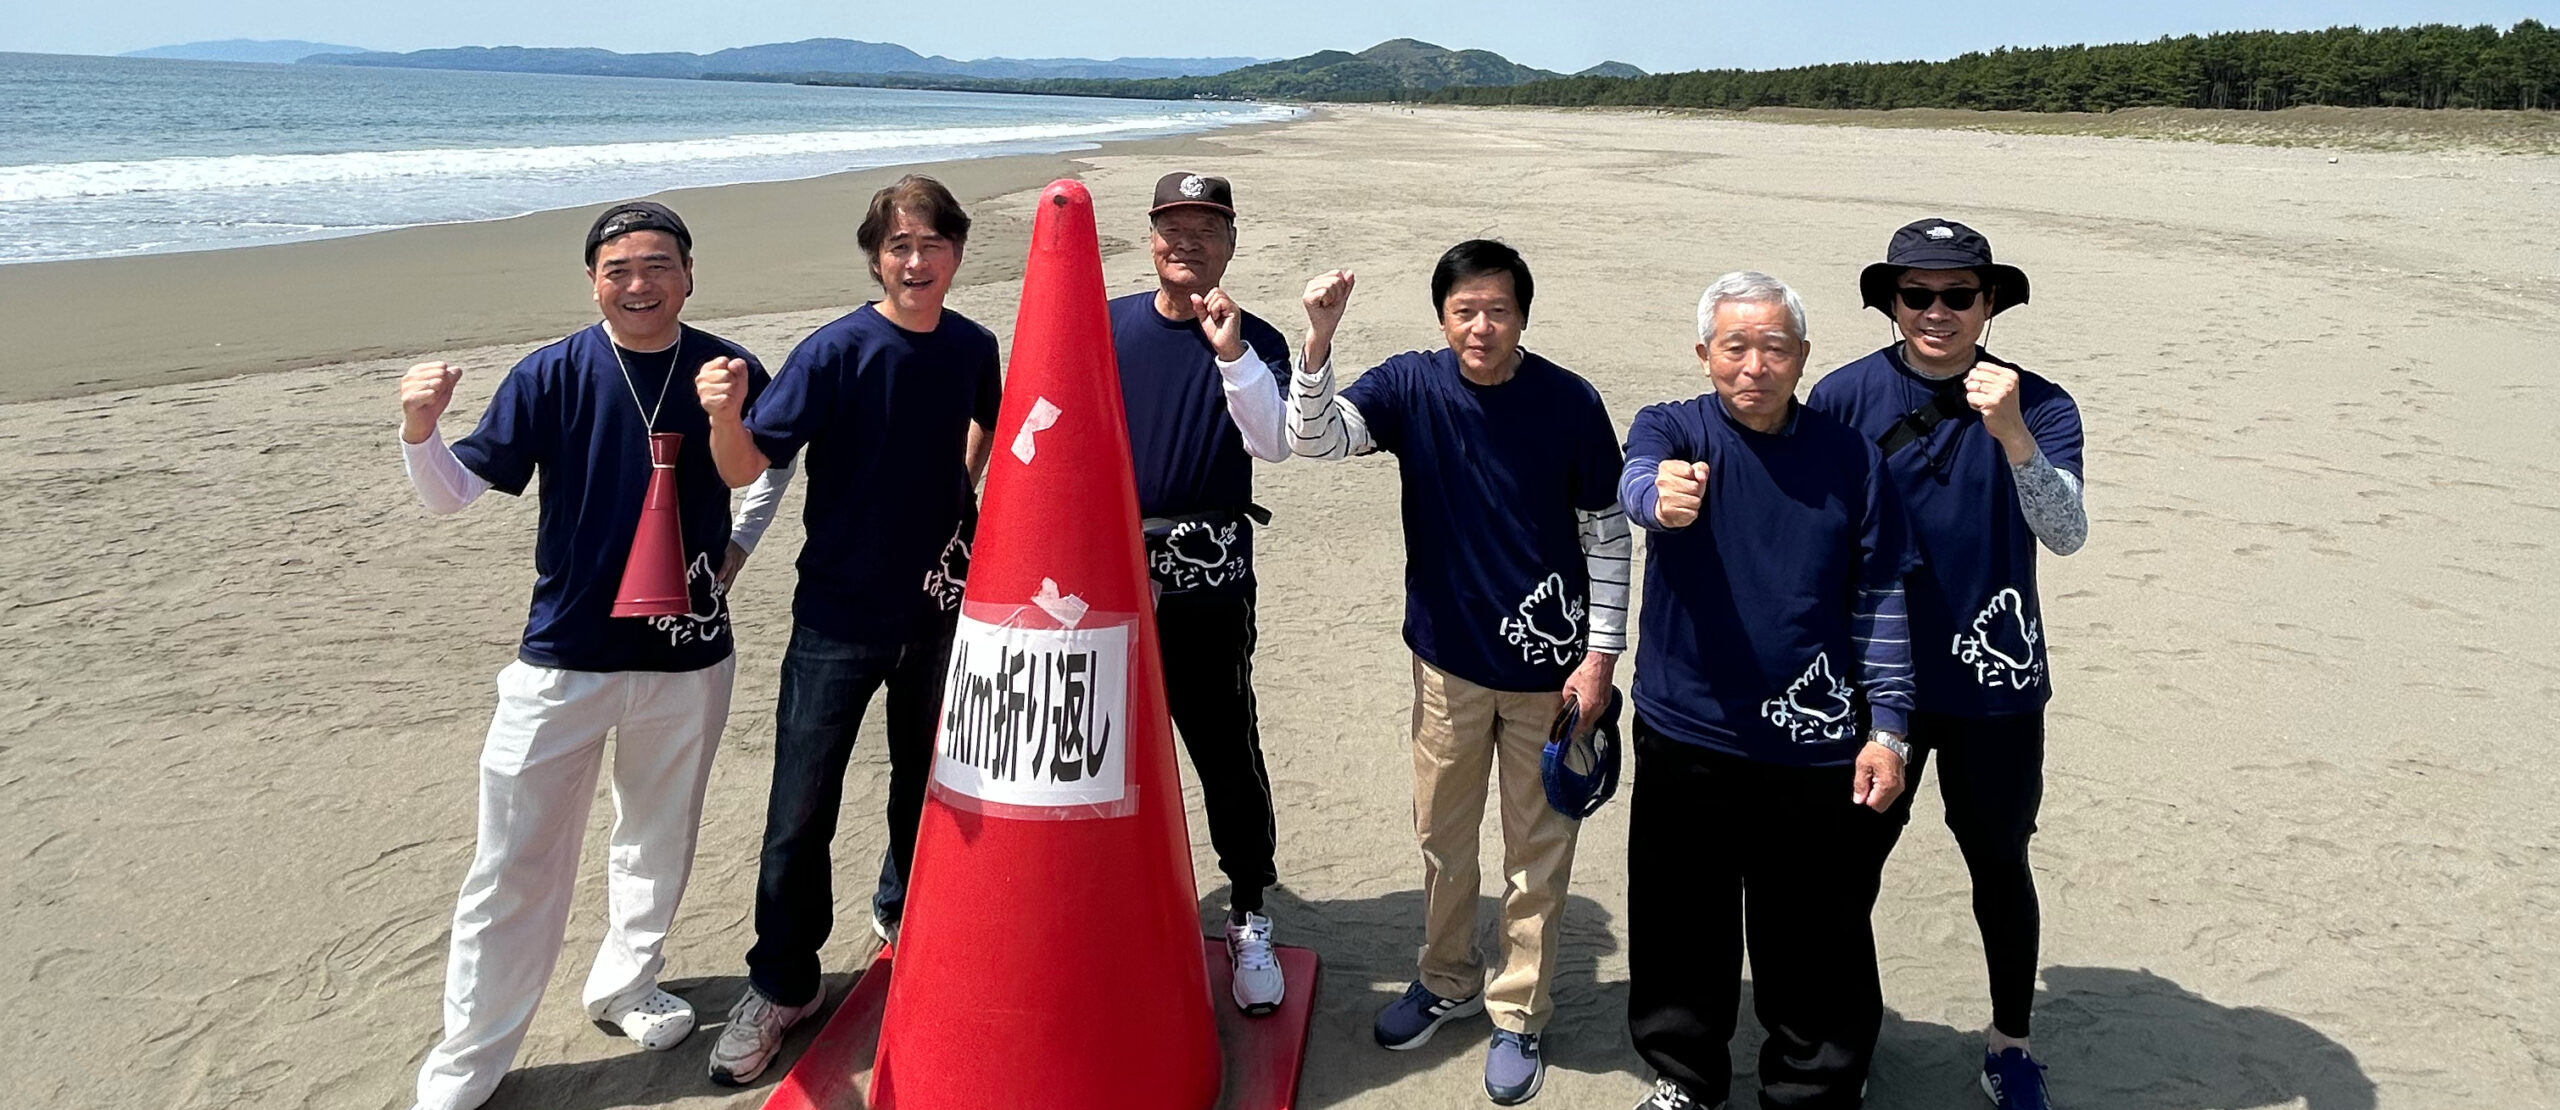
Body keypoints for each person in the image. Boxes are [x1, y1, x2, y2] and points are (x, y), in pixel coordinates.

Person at [396, 200, 791, 1110]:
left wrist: (737, 551)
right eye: (619, 269)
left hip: (688, 654)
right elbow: (456, 493)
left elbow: (767, 464)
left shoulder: (727, 370)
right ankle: (468, 1060)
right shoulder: (553, 374)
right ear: (592, 282)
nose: (639, 284)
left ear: (690, 275)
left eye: (658, 265)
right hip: (564, 655)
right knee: (513, 862)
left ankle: (625, 982)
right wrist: (419, 431)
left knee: (657, 838)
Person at [1287, 240, 1629, 1105]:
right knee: (1443, 840)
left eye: (1499, 309)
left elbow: (1607, 533)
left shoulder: (1569, 400)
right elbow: (1316, 440)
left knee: (1537, 852)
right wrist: (1318, 342)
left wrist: (1599, 657)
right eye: (1465, 310)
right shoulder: (1410, 385)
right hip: (1446, 666)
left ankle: (1519, 1011)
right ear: (1442, 317)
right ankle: (1447, 979)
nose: (1482, 326)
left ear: (1523, 314)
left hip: (1552, 679)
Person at [694, 175, 1001, 1087]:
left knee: (930, 782)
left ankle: (904, 914)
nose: (917, 261)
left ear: (954, 254)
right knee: (801, 807)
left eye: (933, 245)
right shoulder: (833, 351)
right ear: (877, 256)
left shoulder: (973, 345)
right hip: (835, 614)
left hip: (937, 610)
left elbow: (990, 419)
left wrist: (962, 490)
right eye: (900, 246)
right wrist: (721, 417)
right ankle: (784, 982)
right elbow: (754, 459)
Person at [1618, 271, 1916, 1110]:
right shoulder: (1672, 428)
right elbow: (1638, 480)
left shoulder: (1850, 458)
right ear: (1705, 353)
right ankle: (1686, 1078)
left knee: (1813, 930)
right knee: (1682, 923)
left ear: (1803, 358)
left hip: (1813, 742)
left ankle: (1813, 1086)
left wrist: (1888, 727)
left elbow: (1881, 596)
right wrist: (1659, 498)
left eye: (1774, 347)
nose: (1755, 365)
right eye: (1736, 347)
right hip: (1688, 731)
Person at [1805, 219, 2085, 1110]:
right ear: (1890, 301)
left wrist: (2010, 432)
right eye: (1916, 294)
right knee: (1847, 869)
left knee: (2000, 862)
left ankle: (2009, 1044)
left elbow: (2067, 532)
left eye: (1958, 295)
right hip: (1872, 682)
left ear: (1990, 303)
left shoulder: (2041, 403)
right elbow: (1809, 532)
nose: (1936, 311)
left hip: (1995, 683)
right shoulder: (1844, 396)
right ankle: (1844, 1043)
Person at [1107, 171, 1295, 1014]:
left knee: (1221, 740)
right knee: (1105, 746)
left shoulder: (1256, 338)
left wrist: (1229, 351)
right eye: (1171, 226)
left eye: (1204, 228)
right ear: (1150, 237)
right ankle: (1118, 906)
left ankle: (1249, 906)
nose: (1186, 241)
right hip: (1105, 571)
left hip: (1209, 570)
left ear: (1230, 241)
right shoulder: (1106, 325)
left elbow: (1274, 441)